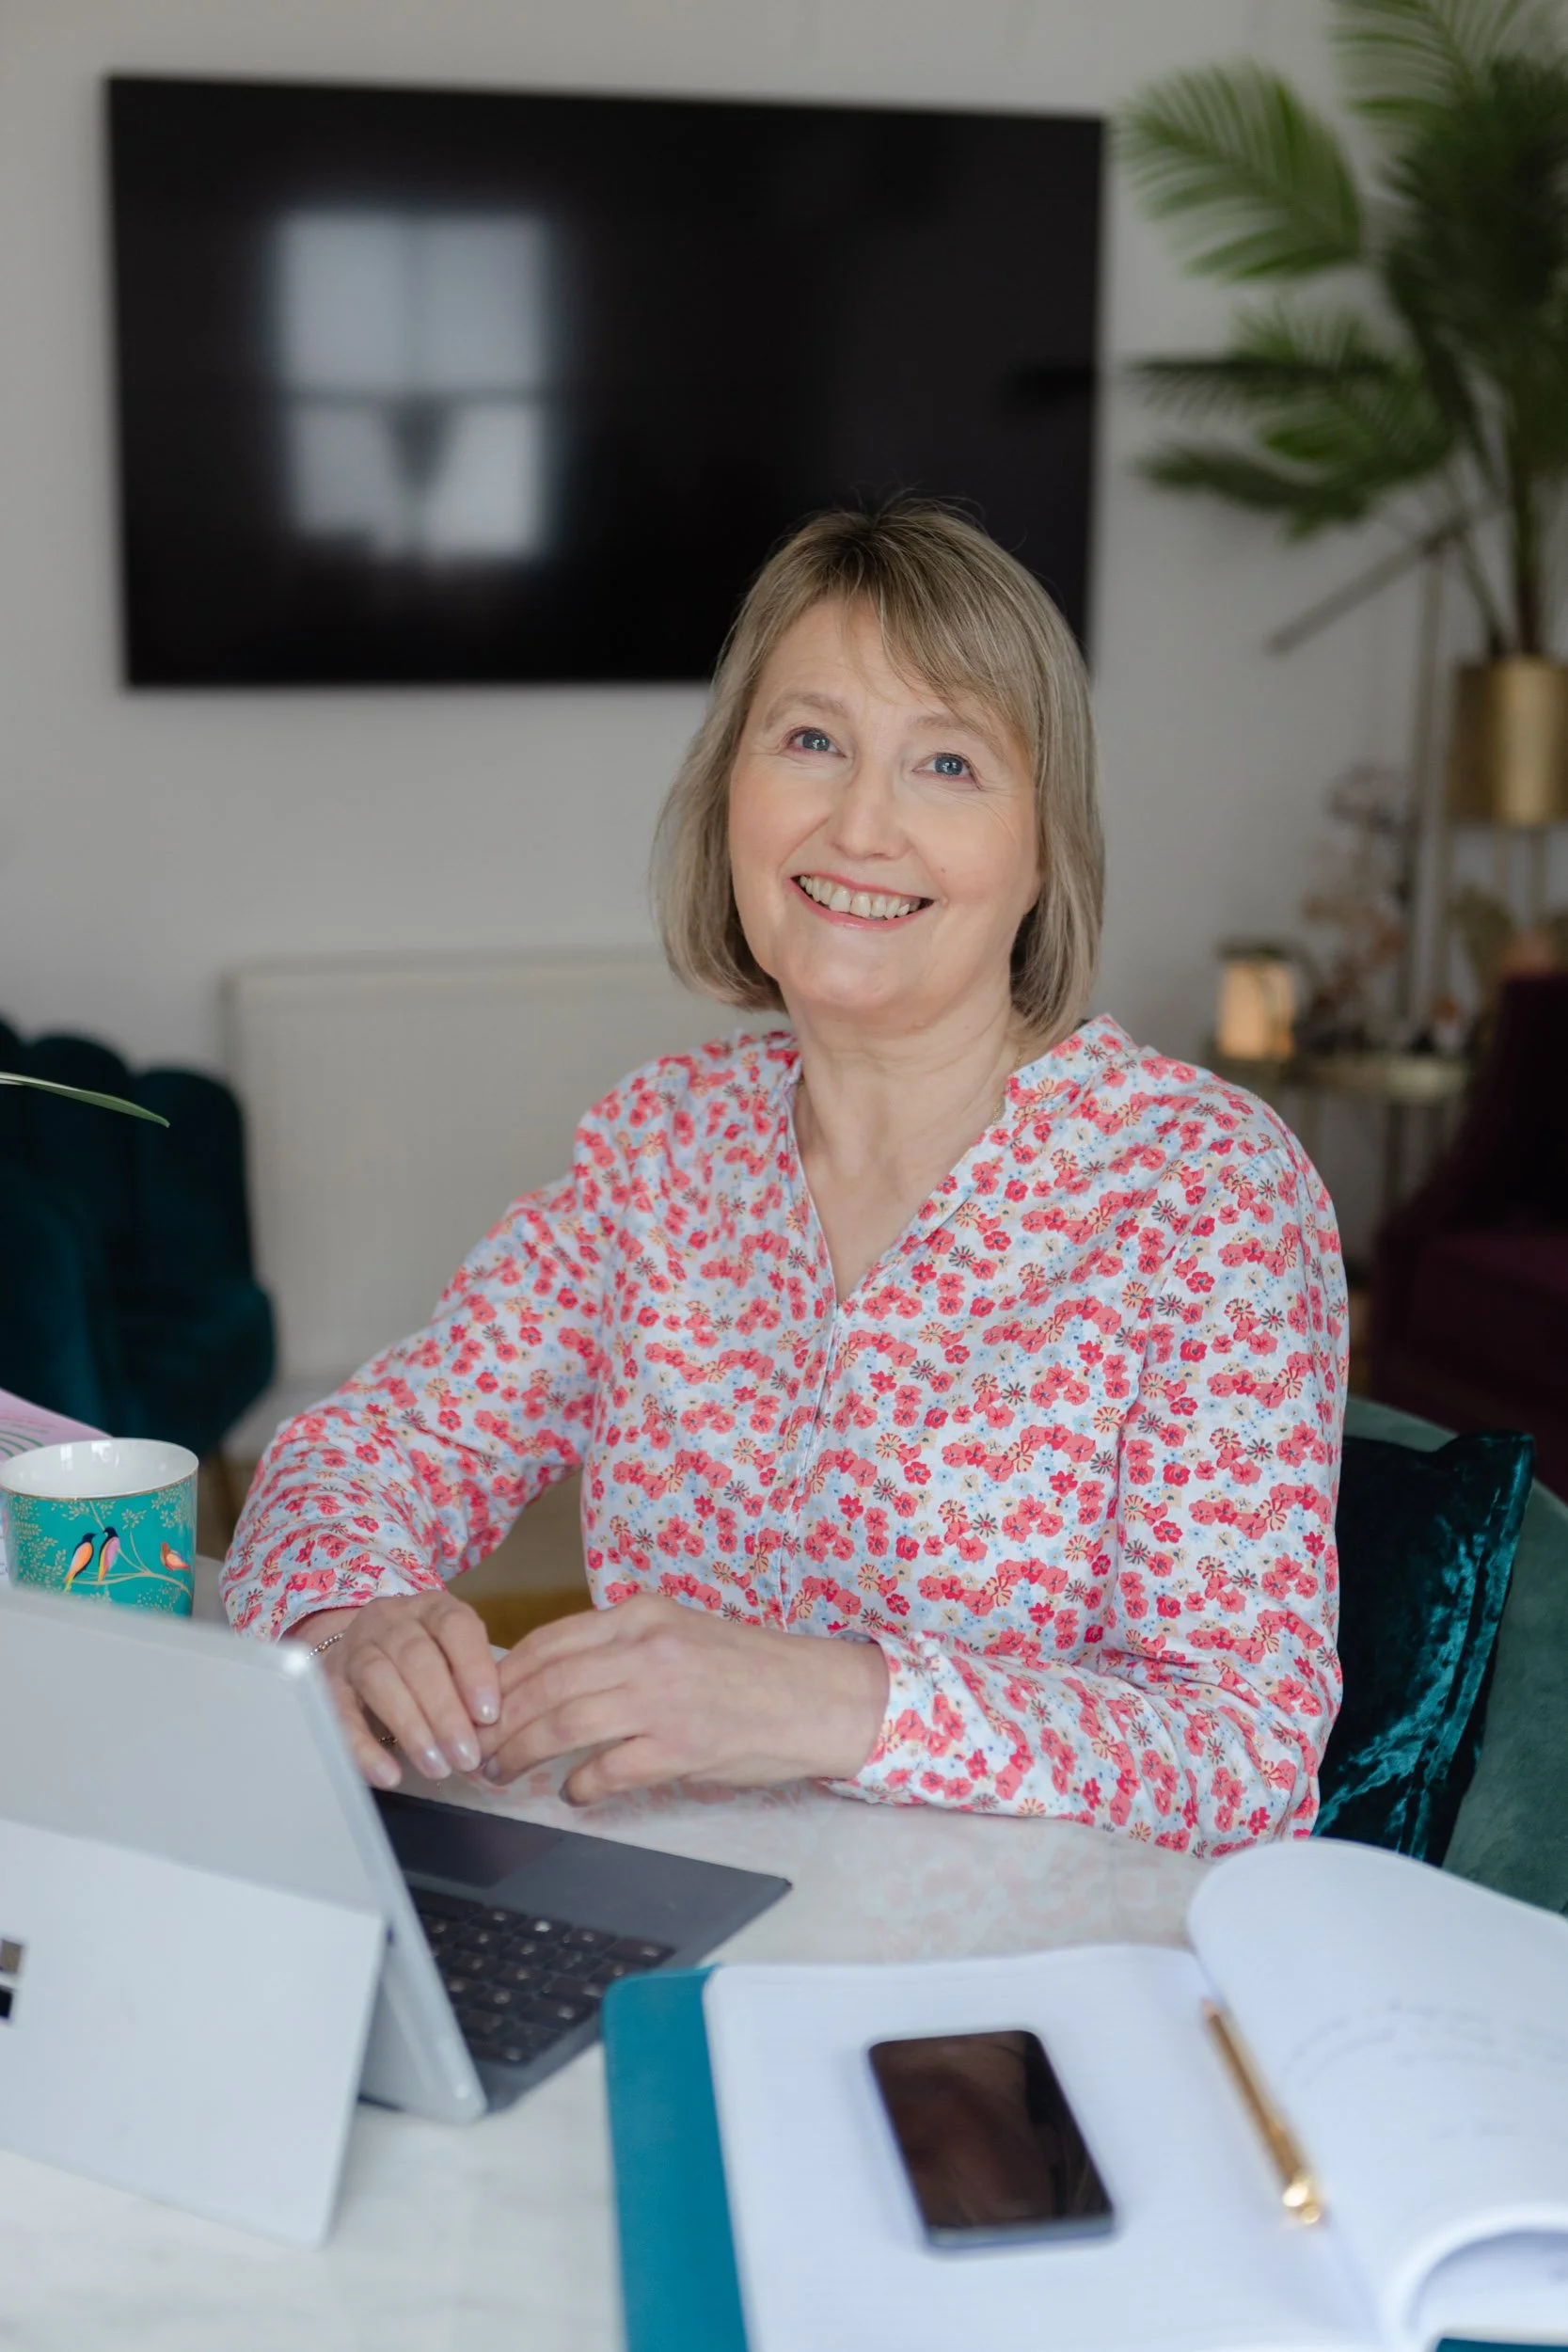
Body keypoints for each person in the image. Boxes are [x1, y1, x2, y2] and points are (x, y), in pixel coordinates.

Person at [225, 502, 1346, 1852]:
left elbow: (1245, 1752)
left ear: (1045, 852)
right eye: (810, 741)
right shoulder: (660, 1153)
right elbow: (360, 1456)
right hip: (664, 1918)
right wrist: (350, 1619)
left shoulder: (1201, 1193)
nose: (860, 823)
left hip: (1013, 2000)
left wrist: (840, 1700)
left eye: (947, 763)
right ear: (730, 791)